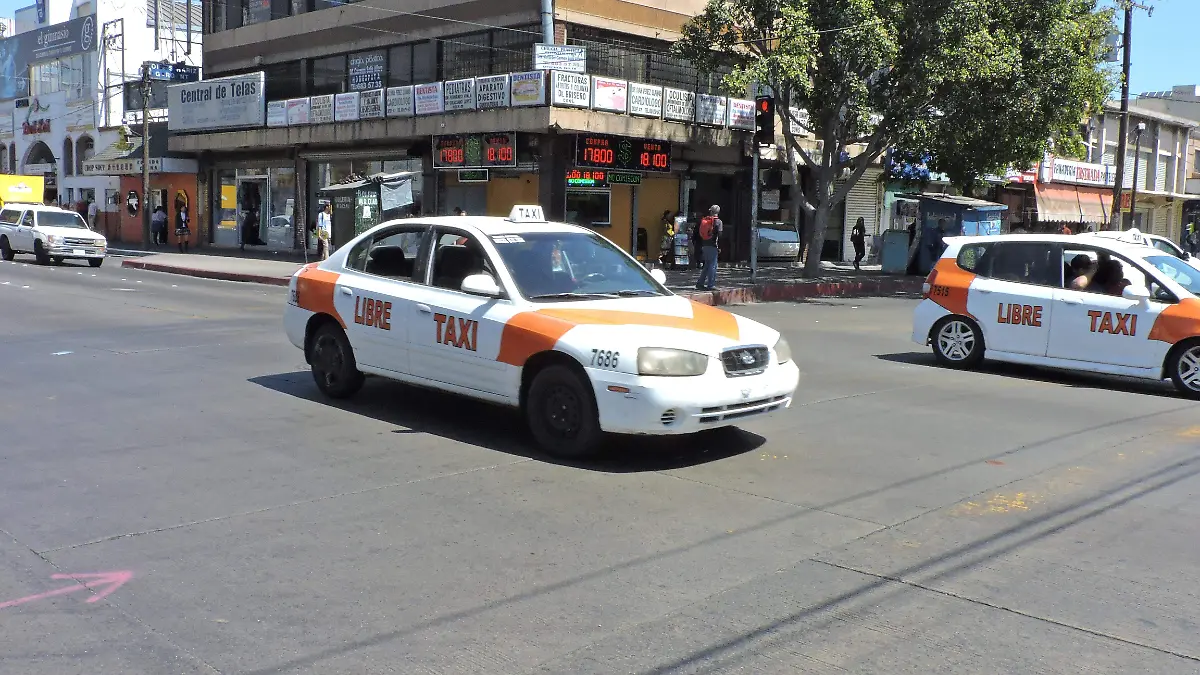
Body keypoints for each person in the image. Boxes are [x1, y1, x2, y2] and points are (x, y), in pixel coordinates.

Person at [696, 205, 722, 291]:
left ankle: (700, 283)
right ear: (718, 212)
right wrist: (719, 247)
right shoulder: (718, 222)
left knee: (707, 265)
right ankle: (711, 285)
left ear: (710, 211)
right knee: (712, 266)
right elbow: (720, 235)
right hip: (713, 246)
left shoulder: (705, 221)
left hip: (704, 245)